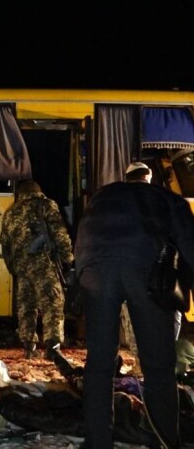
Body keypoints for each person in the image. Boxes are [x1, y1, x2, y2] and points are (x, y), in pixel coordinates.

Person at [75, 161, 194, 448]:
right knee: (158, 366)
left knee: (100, 365)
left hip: (94, 271)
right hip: (143, 270)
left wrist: (82, 281)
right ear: (149, 179)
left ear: (126, 179)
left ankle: (97, 442)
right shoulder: (167, 198)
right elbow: (190, 247)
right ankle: (165, 440)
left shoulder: (103, 196)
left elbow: (81, 236)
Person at [0, 180, 74, 360]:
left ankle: (28, 346)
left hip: (22, 269)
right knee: (52, 304)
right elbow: (60, 233)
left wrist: (14, 268)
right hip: (44, 265)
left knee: (26, 306)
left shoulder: (11, 212)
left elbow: (5, 245)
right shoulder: (45, 205)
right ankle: (53, 346)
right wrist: (68, 259)